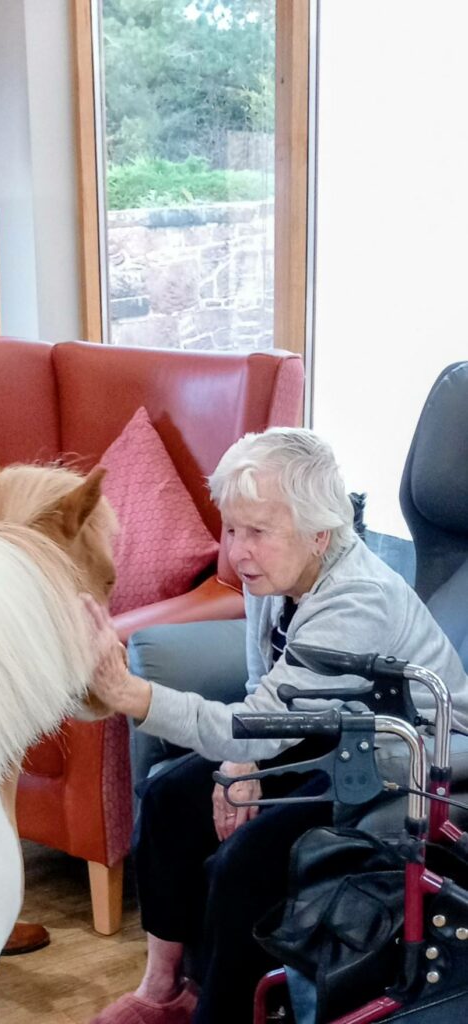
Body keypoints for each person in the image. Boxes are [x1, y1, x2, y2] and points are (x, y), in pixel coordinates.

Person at [83, 427, 468, 1024]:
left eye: (258, 531)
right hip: (336, 738)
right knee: (170, 797)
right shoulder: (277, 576)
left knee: (250, 863)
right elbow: (263, 693)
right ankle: (165, 991)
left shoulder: (356, 599)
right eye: (232, 529)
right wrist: (244, 760)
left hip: (413, 764)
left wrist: (133, 695)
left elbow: (258, 724)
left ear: (319, 534)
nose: (239, 552)